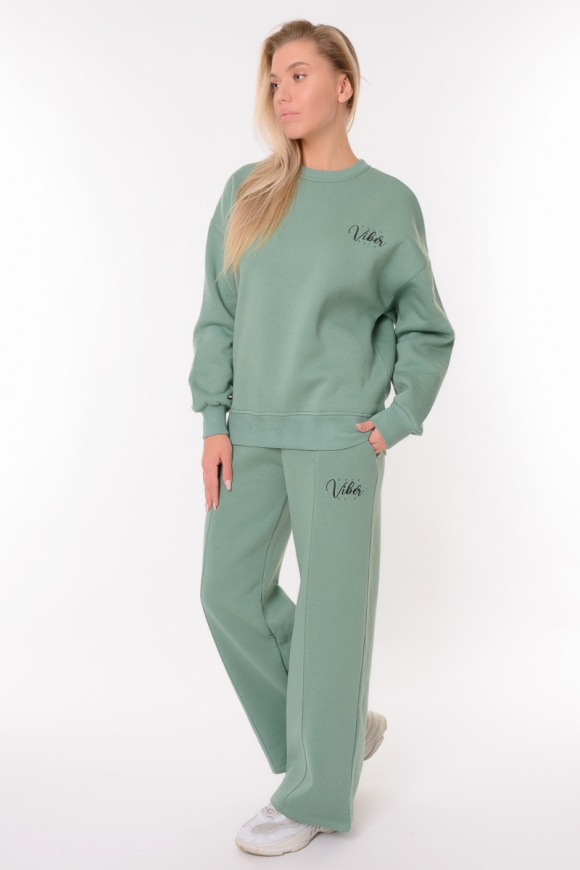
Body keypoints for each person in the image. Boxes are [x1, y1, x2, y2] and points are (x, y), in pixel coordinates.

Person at [188, 18, 455, 857]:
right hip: (250, 436)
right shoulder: (247, 192)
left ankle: (314, 793)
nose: (282, 93)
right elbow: (218, 315)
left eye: (299, 75)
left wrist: (395, 421)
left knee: (334, 617)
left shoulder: (388, 204)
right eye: (274, 80)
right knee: (228, 594)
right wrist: (213, 420)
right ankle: (339, 732)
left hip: (342, 441)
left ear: (344, 85)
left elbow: (426, 330)